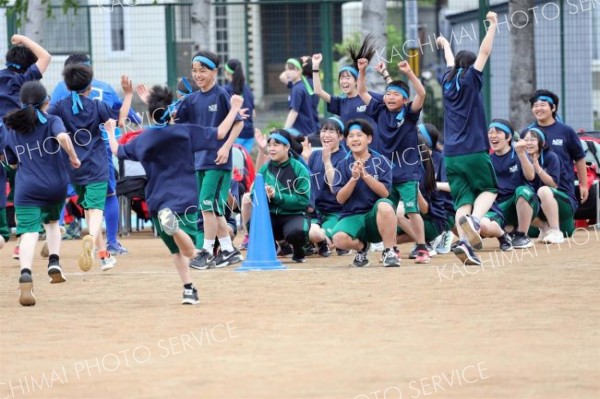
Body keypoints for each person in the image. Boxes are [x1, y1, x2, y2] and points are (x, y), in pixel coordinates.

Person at [106, 86, 244, 304]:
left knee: (176, 251)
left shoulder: (145, 138)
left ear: (151, 114)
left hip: (157, 199)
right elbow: (219, 132)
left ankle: (188, 284)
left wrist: (109, 131)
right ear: (170, 113)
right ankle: (188, 287)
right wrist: (234, 108)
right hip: (185, 199)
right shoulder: (185, 132)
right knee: (189, 251)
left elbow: (118, 151)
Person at [48, 64, 133, 272]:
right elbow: (121, 122)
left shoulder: (59, 106)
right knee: (96, 210)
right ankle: (91, 238)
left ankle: (103, 256)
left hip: (72, 167)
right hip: (96, 166)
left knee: (88, 208)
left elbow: (46, 121)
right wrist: (128, 94)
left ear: (68, 85)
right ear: (90, 85)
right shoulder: (97, 106)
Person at [3, 81, 80, 306]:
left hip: (27, 189)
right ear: (46, 101)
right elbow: (63, 138)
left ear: (21, 102)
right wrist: (73, 157)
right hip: (55, 185)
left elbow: (13, 164)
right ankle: (54, 262)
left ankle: (26, 273)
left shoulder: (12, 128)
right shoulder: (53, 120)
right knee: (53, 222)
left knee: (28, 233)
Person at [436, 11, 499, 266]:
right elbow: (484, 53)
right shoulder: (472, 79)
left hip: (451, 155)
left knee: (463, 201)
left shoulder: (447, 82)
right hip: (473, 149)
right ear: (471, 66)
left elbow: (451, 63)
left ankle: (464, 245)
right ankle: (474, 222)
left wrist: (446, 45)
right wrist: (493, 26)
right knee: (489, 189)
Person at [357, 57, 430, 264]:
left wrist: (408, 73)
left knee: (411, 209)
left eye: (396, 94)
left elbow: (422, 93)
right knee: (387, 209)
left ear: (405, 100)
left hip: (407, 172)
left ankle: (423, 247)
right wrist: (362, 71)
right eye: (388, 93)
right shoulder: (380, 109)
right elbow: (362, 92)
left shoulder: (409, 114)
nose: (390, 97)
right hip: (385, 173)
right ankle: (391, 249)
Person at [176, 50, 244, 270]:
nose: (198, 75)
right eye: (194, 70)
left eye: (203, 70)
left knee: (207, 207)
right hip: (199, 161)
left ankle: (206, 251)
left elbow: (238, 123)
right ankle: (227, 250)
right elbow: (176, 122)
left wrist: (226, 148)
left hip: (218, 162)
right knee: (213, 209)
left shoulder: (222, 95)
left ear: (215, 72)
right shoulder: (192, 99)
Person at [1, 34, 51, 259]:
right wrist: (22, 38)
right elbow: (46, 56)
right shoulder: (26, 78)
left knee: (11, 189)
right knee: (28, 190)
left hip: (2, 144)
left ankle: (16, 235)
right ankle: (28, 237)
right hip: (23, 141)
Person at [330, 119, 399, 267]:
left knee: (385, 206)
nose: (355, 139)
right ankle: (362, 248)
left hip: (375, 216)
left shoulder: (381, 161)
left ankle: (389, 251)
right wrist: (353, 179)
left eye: (359, 135)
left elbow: (385, 193)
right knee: (338, 239)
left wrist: (365, 175)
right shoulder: (341, 165)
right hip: (353, 216)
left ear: (369, 139)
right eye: (351, 136)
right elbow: (340, 199)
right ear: (346, 141)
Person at [521, 89, 588, 239]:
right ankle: (542, 226)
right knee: (523, 229)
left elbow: (580, 158)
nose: (538, 108)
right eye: (535, 105)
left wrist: (583, 185)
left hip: (561, 193)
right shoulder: (527, 132)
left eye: (543, 105)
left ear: (553, 108)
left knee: (566, 233)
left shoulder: (566, 131)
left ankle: (556, 227)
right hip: (534, 196)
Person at [252, 129, 311, 263]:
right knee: (252, 224)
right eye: (270, 145)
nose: (271, 149)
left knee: (297, 232)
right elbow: (252, 195)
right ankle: (271, 250)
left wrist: (276, 195)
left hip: (294, 215)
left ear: (287, 147)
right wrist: (263, 194)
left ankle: (298, 249)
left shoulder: (299, 168)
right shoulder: (265, 168)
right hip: (271, 215)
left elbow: (302, 201)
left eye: (276, 145)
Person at [488, 119, 538, 248]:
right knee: (483, 224)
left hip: (523, 202)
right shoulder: (488, 159)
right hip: (500, 206)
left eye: (498, 132)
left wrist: (521, 153)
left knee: (522, 191)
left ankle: (522, 235)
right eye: (490, 132)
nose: (493, 135)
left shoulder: (518, 153)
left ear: (509, 137)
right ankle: (507, 233)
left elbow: (531, 176)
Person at [304, 117, 348, 257]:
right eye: (324, 131)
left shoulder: (345, 158)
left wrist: (327, 161)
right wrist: (305, 161)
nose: (326, 135)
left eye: (331, 131)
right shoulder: (315, 155)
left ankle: (329, 242)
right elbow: (307, 184)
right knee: (303, 233)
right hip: (315, 212)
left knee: (321, 236)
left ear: (340, 136)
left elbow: (334, 188)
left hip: (335, 213)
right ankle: (319, 243)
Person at [523, 127, 573, 244]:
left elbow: (553, 185)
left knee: (544, 190)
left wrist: (538, 168)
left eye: (533, 139)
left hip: (562, 204)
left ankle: (556, 231)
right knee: (519, 196)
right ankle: (544, 228)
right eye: (526, 140)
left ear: (543, 143)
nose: (529, 143)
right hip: (540, 207)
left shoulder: (551, 157)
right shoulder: (522, 159)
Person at [418, 123, 455, 254]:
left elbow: (452, 186)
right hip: (426, 204)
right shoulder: (414, 157)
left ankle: (442, 233)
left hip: (444, 208)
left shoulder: (442, 159)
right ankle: (426, 240)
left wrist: (431, 184)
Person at [223, 58, 256, 154]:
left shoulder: (225, 90)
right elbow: (253, 113)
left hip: (235, 134)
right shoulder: (247, 89)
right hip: (249, 134)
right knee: (244, 166)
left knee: (235, 167)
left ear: (227, 72)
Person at [283, 57, 319, 136]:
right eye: (286, 70)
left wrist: (284, 131)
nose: (287, 72)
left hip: (302, 132)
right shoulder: (301, 86)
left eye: (291, 69)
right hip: (309, 130)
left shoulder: (297, 89)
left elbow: (294, 112)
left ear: (299, 70)